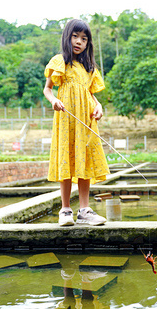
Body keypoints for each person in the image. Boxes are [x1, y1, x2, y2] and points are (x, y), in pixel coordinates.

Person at [44, 18, 109, 227]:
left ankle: (84, 210)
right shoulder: (59, 61)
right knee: (67, 158)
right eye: (75, 36)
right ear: (67, 37)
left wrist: (98, 106)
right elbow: (47, 89)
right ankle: (65, 210)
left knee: (85, 160)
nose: (79, 42)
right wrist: (54, 101)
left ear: (88, 43)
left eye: (84, 39)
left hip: (86, 120)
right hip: (66, 120)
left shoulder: (90, 68)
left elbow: (90, 94)